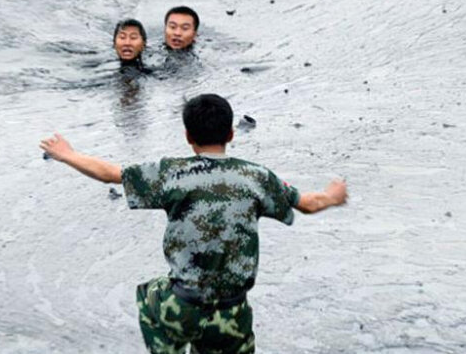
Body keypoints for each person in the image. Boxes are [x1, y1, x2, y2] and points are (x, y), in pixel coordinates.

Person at [39, 94, 348, 354]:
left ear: (188, 136)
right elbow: (307, 204)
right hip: (233, 311)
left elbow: (109, 173)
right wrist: (332, 196)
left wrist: (67, 154)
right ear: (230, 134)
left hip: (182, 304)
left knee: (148, 296)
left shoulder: (171, 174)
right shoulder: (256, 177)